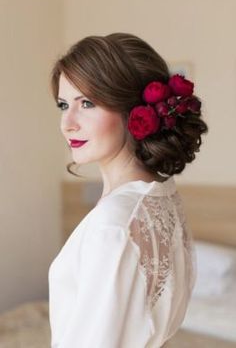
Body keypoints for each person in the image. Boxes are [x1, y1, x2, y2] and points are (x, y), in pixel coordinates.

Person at [48, 32, 208, 348]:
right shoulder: (163, 198)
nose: (68, 122)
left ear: (133, 111)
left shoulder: (112, 226)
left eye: (88, 103)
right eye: (64, 104)